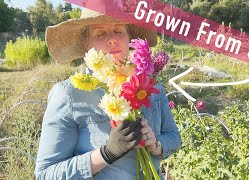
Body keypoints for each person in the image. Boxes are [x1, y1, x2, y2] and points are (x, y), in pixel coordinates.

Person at [35, 8, 181, 179]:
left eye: (118, 31)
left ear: (130, 39)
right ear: (86, 45)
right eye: (100, 34)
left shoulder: (150, 84)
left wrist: (155, 144)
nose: (112, 39)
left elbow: (174, 138)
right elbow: (45, 174)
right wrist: (106, 154)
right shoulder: (69, 94)